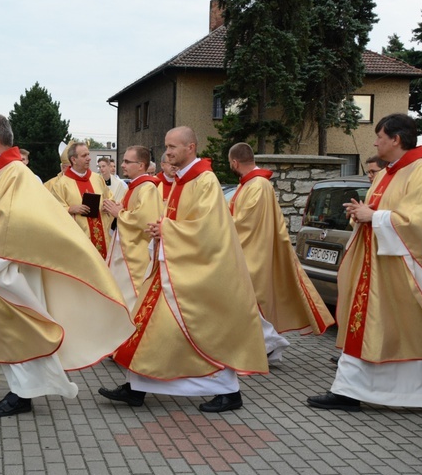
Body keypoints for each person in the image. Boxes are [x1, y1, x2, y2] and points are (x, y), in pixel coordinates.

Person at [0, 113, 133, 416]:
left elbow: (14, 222)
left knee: (19, 329)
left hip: (10, 267)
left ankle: (23, 394)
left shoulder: (14, 173)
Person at [307, 113, 422, 419]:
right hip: (380, 273)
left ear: (396, 139)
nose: (375, 142)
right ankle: (350, 391)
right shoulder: (391, 173)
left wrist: (374, 217)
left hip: (414, 273)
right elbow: (387, 211)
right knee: (369, 330)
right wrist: (363, 212)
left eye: (379, 136)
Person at [98, 126, 268, 413]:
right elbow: (175, 219)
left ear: (191, 147)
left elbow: (209, 228)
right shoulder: (181, 181)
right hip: (172, 267)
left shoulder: (205, 181)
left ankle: (228, 390)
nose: (167, 152)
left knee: (197, 332)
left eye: (173, 147)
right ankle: (136, 386)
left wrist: (167, 229)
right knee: (150, 328)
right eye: (166, 146)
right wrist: (160, 229)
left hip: (195, 273)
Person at [228, 143, 334, 362]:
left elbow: (245, 223)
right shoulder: (251, 184)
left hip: (252, 251)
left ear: (235, 162)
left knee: (247, 300)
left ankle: (270, 343)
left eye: (230, 163)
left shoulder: (257, 186)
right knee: (245, 302)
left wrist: (220, 227)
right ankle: (267, 345)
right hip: (250, 249)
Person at [103, 146, 163, 309]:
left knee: (132, 296)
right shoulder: (135, 186)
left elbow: (145, 219)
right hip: (124, 249)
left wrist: (119, 213)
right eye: (123, 161)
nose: (122, 165)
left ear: (141, 165)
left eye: (127, 162)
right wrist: (116, 208)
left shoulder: (147, 188)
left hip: (136, 253)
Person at [50, 141, 114, 258]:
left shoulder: (97, 178)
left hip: (103, 238)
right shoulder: (61, 185)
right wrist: (70, 209)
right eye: (84, 156)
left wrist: (108, 205)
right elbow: (53, 210)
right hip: (79, 240)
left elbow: (110, 197)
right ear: (73, 160)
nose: (89, 158)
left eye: (88, 154)